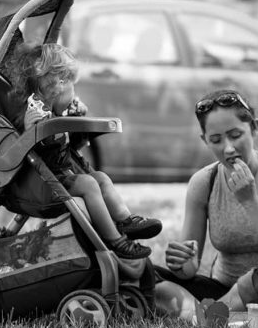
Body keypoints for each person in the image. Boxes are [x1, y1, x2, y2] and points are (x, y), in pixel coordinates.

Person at [13, 42, 162, 260]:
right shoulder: (34, 115)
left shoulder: (54, 113)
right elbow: (24, 148)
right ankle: (115, 239)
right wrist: (29, 130)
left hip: (62, 175)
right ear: (58, 85)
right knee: (90, 183)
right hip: (44, 184)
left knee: (100, 177)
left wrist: (76, 119)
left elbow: (67, 146)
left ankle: (126, 220)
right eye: (73, 88)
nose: (74, 96)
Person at [154, 89, 258, 326]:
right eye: (216, 140)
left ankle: (206, 318)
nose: (228, 148)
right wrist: (182, 264)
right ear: (205, 140)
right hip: (222, 290)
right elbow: (189, 269)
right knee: (145, 273)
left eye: (236, 135)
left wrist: (250, 200)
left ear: (254, 128)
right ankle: (225, 317)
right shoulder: (204, 182)